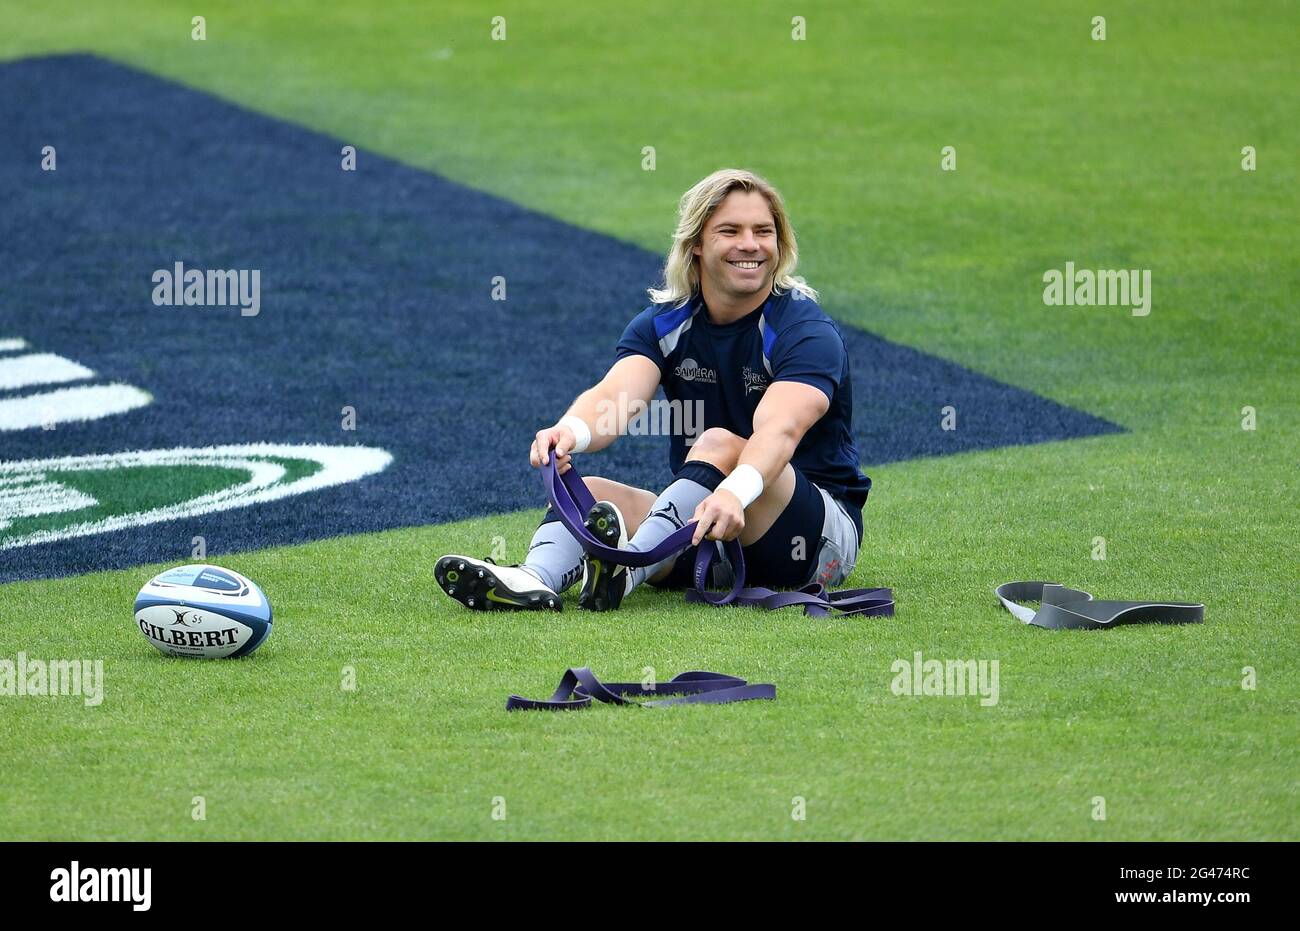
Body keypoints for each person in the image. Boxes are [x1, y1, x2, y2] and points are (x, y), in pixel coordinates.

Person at [435, 168, 870, 612]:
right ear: (696, 244)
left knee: (719, 444)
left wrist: (734, 494)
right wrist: (569, 432)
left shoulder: (805, 330)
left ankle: (626, 566)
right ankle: (532, 579)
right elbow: (614, 397)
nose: (750, 245)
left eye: (764, 231)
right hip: (712, 524)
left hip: (813, 540)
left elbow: (779, 431)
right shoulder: (665, 324)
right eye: (730, 231)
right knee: (590, 490)